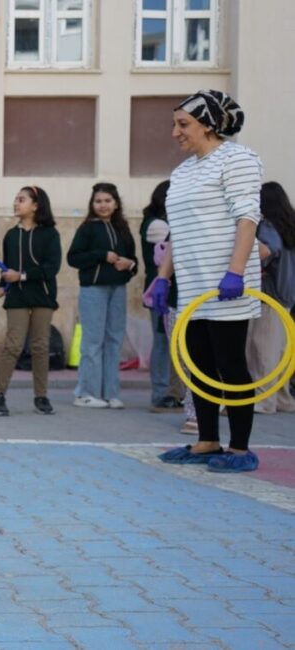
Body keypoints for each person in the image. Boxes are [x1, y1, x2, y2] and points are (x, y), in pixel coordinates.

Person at [152, 90, 264, 472]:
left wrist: (235, 271)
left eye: (183, 124)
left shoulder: (238, 159)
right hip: (194, 286)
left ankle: (239, 448)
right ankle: (206, 440)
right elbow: (178, 233)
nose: (175, 133)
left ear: (210, 123)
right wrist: (162, 278)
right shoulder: (182, 173)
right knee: (197, 364)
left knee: (230, 363)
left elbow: (247, 219)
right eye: (174, 124)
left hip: (228, 284)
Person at [0, 186, 61, 417]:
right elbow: (6, 267)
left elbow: (52, 268)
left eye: (21, 199)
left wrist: (22, 276)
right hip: (17, 297)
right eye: (15, 199)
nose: (16, 203)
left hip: (43, 296)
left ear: (36, 205)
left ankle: (41, 396)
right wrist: (2, 285)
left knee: (40, 347)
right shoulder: (11, 235)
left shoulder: (50, 234)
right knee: (13, 345)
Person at [67, 182, 138, 409]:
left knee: (114, 340)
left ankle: (110, 393)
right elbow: (73, 258)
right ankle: (85, 392)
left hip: (118, 289)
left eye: (107, 201)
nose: (103, 205)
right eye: (98, 201)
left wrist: (130, 264)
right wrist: (101, 255)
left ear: (116, 203)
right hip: (93, 290)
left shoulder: (123, 229)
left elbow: (133, 261)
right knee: (93, 341)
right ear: (92, 204)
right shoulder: (87, 228)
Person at [246, 181, 295, 414]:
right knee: (281, 352)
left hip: (268, 296)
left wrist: (249, 263)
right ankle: (283, 399)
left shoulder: (267, 225)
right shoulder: (289, 225)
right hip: (286, 297)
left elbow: (265, 249)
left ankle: (264, 400)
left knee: (262, 350)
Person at [139, 180, 184, 413]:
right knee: (163, 344)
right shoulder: (157, 225)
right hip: (161, 292)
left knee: (173, 344)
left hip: (171, 291)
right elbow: (165, 257)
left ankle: (174, 393)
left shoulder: (167, 221)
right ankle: (162, 393)